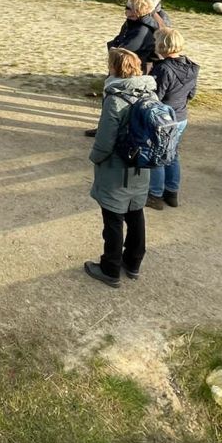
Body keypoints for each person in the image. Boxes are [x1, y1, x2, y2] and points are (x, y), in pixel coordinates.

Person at [84, 48, 158, 287]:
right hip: (142, 164)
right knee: (136, 213)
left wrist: (95, 158)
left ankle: (110, 268)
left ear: (114, 67)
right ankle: (134, 262)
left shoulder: (115, 99)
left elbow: (105, 140)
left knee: (113, 217)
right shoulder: (151, 94)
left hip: (118, 166)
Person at [86, 0, 164, 137]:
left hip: (129, 68)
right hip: (129, 65)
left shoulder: (143, 28)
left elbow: (126, 50)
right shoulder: (136, 22)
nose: (126, 12)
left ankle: (109, 131)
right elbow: (121, 38)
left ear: (137, 10)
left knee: (117, 98)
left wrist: (113, 48)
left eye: (128, 9)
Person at [146, 27, 198, 210]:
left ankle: (155, 194)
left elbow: (156, 96)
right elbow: (191, 94)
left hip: (163, 118)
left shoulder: (163, 69)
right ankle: (172, 192)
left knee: (158, 155)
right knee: (172, 154)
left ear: (162, 45)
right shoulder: (192, 66)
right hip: (181, 116)